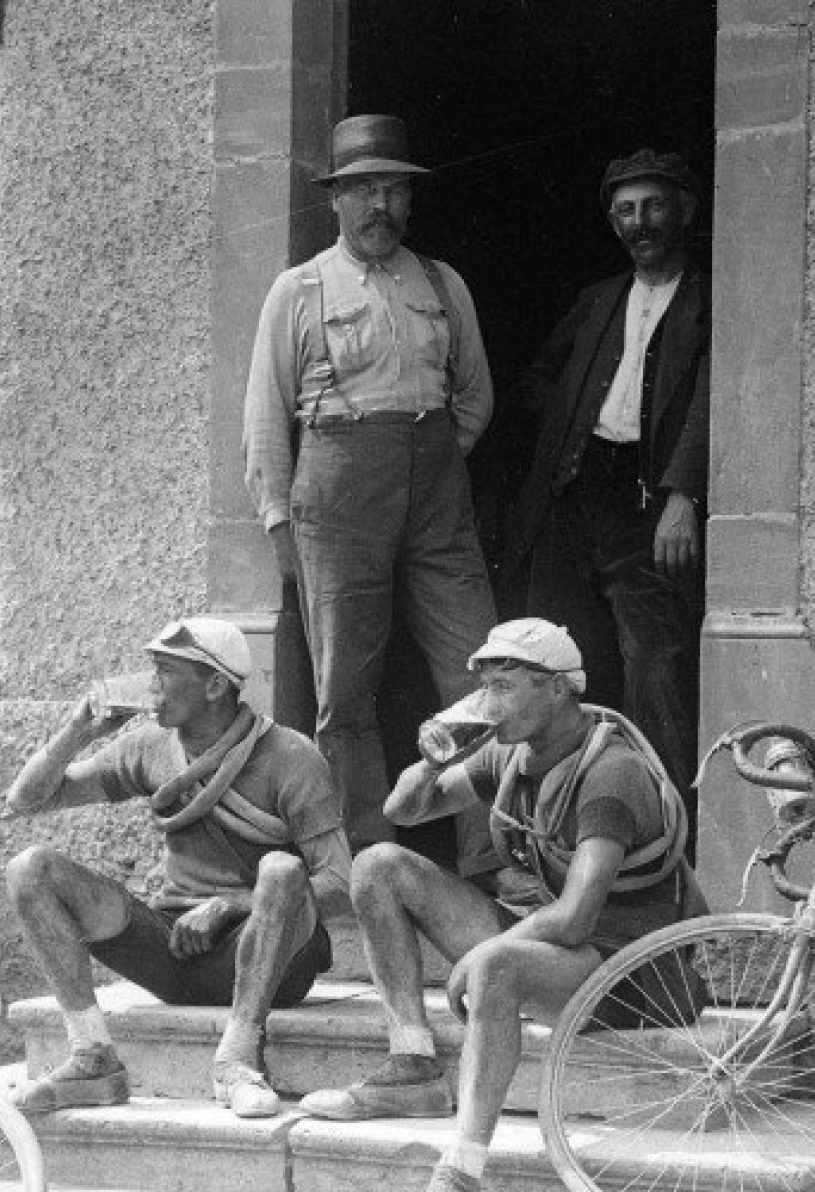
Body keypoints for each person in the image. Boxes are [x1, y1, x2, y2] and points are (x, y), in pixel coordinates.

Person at [310, 618, 705, 1192]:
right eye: (484, 689)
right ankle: (412, 1060)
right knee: (377, 865)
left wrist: (493, 949)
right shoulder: (509, 754)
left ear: (557, 689)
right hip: (564, 947)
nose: (488, 704)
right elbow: (403, 811)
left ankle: (460, 1185)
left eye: (505, 687)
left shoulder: (612, 773)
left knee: (499, 967)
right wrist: (434, 755)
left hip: (639, 969)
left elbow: (576, 916)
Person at [243, 113, 500, 870]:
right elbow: (264, 415)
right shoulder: (298, 291)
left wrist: (423, 457)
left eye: (393, 189)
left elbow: (475, 396)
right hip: (335, 497)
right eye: (362, 190)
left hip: (435, 493)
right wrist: (279, 522)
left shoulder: (443, 284)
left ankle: (492, 855)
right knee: (344, 690)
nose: (379, 205)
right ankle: (367, 858)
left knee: (480, 670)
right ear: (335, 201)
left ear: (411, 201)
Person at [4, 616, 350, 1118]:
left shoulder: (291, 756)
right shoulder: (149, 745)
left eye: (166, 671)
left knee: (281, 869)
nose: (151, 686)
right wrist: (80, 729)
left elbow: (339, 883)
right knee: (30, 869)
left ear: (214, 685)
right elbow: (26, 800)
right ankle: (93, 1056)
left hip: (270, 960)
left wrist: (231, 905)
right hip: (174, 949)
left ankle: (236, 1060)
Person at [507, 149, 711, 806]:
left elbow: (716, 397)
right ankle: (558, 826)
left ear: (684, 210)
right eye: (625, 211)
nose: (640, 222)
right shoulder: (599, 301)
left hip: (646, 507)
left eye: (653, 206)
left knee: (655, 669)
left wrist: (684, 493)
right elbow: (538, 380)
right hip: (575, 496)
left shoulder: (710, 301)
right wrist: (568, 429)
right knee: (556, 667)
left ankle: (663, 833)